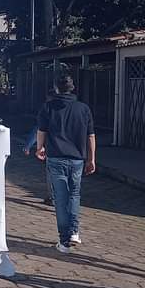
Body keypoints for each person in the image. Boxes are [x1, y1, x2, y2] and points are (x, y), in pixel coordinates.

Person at [36, 75, 96, 253]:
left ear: (56, 88)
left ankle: (64, 241)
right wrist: (91, 159)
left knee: (61, 199)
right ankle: (74, 231)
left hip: (56, 157)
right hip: (77, 159)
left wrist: (39, 148)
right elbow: (91, 136)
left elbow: (41, 130)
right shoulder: (83, 109)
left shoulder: (48, 107)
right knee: (74, 195)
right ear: (73, 88)